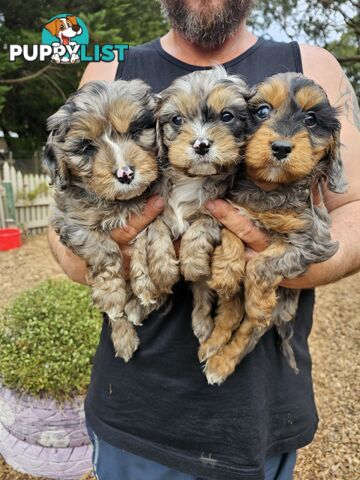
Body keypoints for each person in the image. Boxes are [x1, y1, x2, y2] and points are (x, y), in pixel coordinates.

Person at [48, 1, 360, 479]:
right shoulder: (111, 67)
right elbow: (68, 203)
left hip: (261, 407)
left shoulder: (312, 65)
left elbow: (354, 205)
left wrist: (277, 261)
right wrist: (107, 254)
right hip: (134, 408)